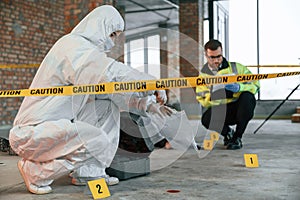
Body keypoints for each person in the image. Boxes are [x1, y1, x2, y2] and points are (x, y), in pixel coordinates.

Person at [9, 5, 171, 194]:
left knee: (105, 106)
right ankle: (36, 172)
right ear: (99, 26)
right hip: (31, 134)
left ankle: (89, 172)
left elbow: (111, 92)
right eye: (112, 34)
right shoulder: (71, 46)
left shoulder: (85, 57)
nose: (113, 42)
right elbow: (110, 74)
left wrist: (148, 104)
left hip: (53, 129)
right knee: (97, 140)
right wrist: (150, 83)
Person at [196, 39, 259, 150]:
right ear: (206, 55)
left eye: (219, 56)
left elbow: (255, 84)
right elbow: (202, 99)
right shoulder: (203, 75)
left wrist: (240, 87)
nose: (216, 60)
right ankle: (228, 133)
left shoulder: (237, 68)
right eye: (212, 57)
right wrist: (215, 96)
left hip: (238, 108)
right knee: (206, 119)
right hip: (220, 110)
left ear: (222, 53)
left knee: (248, 97)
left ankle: (237, 137)